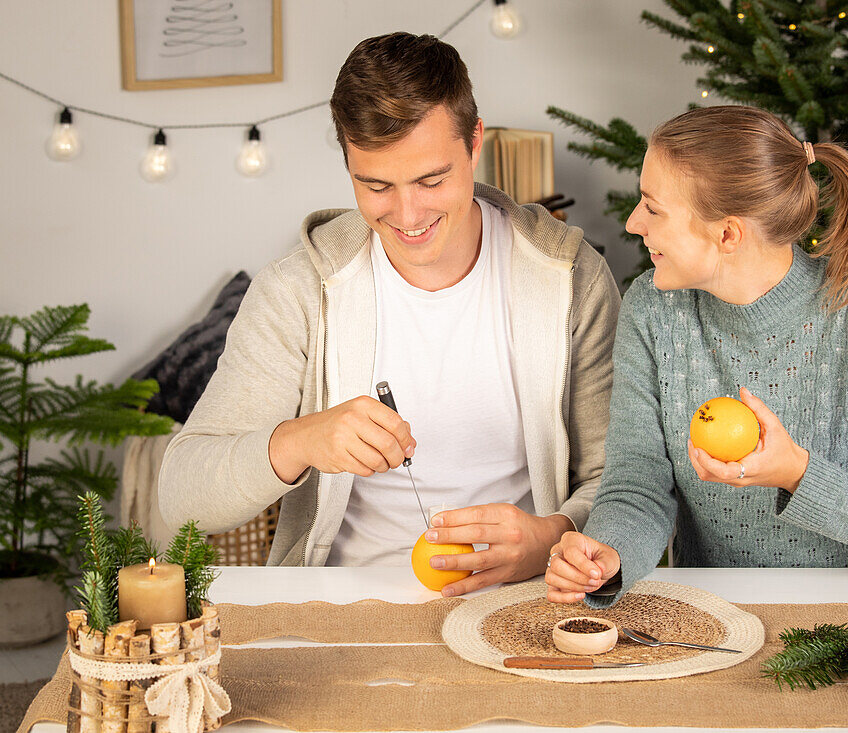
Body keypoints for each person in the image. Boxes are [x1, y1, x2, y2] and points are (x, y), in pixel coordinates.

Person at [159, 32, 620, 597]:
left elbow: (622, 480)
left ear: (474, 142)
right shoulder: (297, 290)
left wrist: (550, 536)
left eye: (432, 180)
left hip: (531, 602)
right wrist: (299, 441)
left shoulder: (571, 278)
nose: (407, 214)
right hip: (343, 610)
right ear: (348, 160)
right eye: (375, 185)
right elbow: (183, 496)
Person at [544, 105, 848, 606]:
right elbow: (637, 486)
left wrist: (796, 473)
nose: (634, 222)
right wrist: (608, 556)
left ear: (728, 234)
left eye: (653, 208)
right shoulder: (653, 308)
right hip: (715, 620)